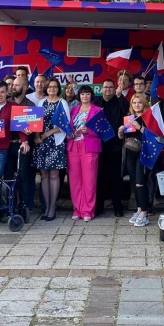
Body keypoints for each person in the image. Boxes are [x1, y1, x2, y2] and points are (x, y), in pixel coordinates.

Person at [119, 93, 157, 228]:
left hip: (143, 153)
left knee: (141, 183)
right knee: (135, 183)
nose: (136, 105)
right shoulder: (129, 118)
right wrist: (120, 132)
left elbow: (154, 135)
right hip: (131, 153)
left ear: (144, 104)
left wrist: (139, 126)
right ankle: (139, 210)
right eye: (134, 103)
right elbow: (123, 138)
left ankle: (145, 214)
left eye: (139, 102)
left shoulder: (148, 117)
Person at [34, 78, 67, 221]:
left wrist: (48, 133)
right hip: (41, 143)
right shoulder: (41, 102)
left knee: (54, 174)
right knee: (44, 175)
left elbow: (65, 125)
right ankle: (46, 207)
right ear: (46, 89)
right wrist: (36, 136)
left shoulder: (62, 102)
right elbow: (35, 122)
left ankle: (53, 207)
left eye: (55, 87)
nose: (52, 89)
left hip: (56, 142)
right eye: (49, 87)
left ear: (58, 89)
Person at [68, 85, 102, 221]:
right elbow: (68, 127)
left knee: (89, 180)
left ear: (91, 95)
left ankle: (88, 210)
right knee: (74, 180)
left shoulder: (98, 110)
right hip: (73, 146)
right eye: (82, 94)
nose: (85, 96)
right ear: (79, 96)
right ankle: (77, 209)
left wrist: (89, 131)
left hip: (89, 146)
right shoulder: (74, 110)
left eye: (87, 94)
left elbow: (102, 129)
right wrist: (69, 134)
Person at [95, 78, 128, 217]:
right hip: (99, 146)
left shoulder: (119, 101)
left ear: (114, 89)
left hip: (115, 146)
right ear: (101, 89)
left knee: (116, 178)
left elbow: (127, 111)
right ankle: (98, 207)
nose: (108, 89)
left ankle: (117, 207)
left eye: (110, 87)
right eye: (105, 87)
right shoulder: (96, 103)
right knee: (100, 177)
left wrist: (120, 97)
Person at [9, 77, 35, 209]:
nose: (12, 87)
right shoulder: (7, 102)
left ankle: (24, 206)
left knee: (23, 175)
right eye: (12, 84)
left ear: (24, 88)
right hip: (7, 145)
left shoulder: (31, 105)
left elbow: (34, 127)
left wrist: (31, 131)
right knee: (8, 175)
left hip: (22, 145)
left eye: (16, 85)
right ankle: (10, 206)